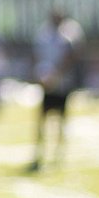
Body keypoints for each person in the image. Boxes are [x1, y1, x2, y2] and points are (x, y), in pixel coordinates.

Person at [30, 9, 84, 171]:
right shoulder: (43, 35)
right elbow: (36, 56)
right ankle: (39, 151)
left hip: (62, 84)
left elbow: (72, 56)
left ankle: (59, 152)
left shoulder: (69, 34)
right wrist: (41, 75)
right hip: (47, 85)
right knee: (43, 119)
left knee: (61, 119)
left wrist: (57, 74)